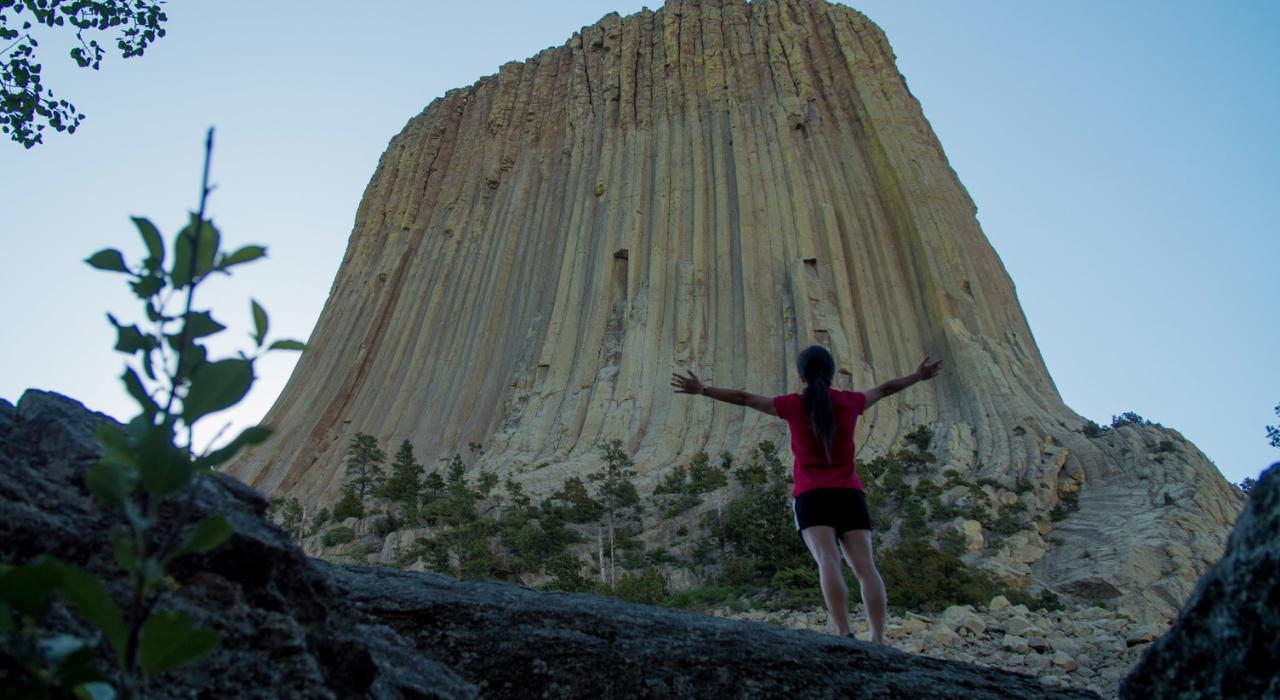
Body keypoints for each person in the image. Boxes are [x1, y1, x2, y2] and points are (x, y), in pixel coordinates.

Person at [671, 345, 942, 643]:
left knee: (828, 561)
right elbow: (886, 389)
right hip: (849, 495)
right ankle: (878, 638)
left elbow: (744, 398)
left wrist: (703, 389)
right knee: (865, 567)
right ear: (831, 373)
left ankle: (843, 633)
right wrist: (918, 376)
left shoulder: (791, 405)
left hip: (812, 496)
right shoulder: (851, 401)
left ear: (801, 376)